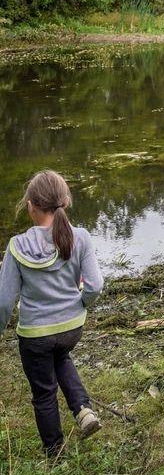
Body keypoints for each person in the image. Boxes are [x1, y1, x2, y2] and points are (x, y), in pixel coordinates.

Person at [0, 170, 104, 457]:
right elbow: (95, 286)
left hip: (35, 335)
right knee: (60, 355)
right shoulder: (80, 237)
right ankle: (83, 410)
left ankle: (55, 455)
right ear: (65, 201)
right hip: (71, 327)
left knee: (44, 392)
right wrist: (81, 304)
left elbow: (4, 301)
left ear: (31, 205)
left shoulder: (16, 247)